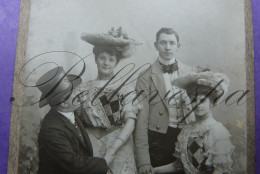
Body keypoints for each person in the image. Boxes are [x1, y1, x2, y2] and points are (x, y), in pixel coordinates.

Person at [134, 27, 209, 174]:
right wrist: (143, 160)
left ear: (178, 46)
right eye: (163, 43)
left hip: (188, 135)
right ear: (156, 46)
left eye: (172, 43)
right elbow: (141, 120)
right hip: (158, 140)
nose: (167, 47)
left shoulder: (191, 73)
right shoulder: (145, 76)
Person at [76, 27, 142, 174]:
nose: (106, 63)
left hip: (119, 147)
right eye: (102, 58)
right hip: (91, 147)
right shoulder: (83, 88)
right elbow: (75, 122)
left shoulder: (126, 88)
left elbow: (130, 122)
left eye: (111, 59)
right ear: (96, 59)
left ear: (116, 62)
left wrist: (112, 151)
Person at [155, 71, 234, 174]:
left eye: (202, 101)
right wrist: (154, 170)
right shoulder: (187, 130)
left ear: (212, 103)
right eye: (193, 100)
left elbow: (219, 170)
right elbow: (178, 166)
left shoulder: (217, 131)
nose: (197, 105)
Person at [37, 67, 110, 174]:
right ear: (63, 103)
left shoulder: (70, 112)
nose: (80, 94)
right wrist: (105, 162)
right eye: (74, 92)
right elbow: (75, 165)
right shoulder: (51, 129)